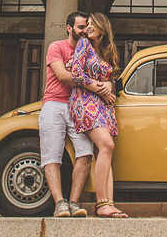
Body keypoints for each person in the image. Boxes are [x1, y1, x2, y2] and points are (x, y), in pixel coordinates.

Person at [67, 12, 126, 218]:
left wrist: (110, 85)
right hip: (84, 100)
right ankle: (101, 203)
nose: (88, 27)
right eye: (87, 24)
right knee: (106, 145)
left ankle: (109, 203)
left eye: (92, 24)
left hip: (104, 105)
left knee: (107, 149)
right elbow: (76, 73)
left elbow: (115, 78)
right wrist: (100, 88)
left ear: (102, 27)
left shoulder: (109, 52)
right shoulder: (84, 45)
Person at [40, 11, 93, 217]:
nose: (84, 32)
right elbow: (62, 75)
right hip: (54, 104)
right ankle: (59, 203)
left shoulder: (89, 50)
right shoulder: (57, 47)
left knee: (86, 153)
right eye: (80, 28)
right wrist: (93, 84)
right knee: (52, 155)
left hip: (78, 106)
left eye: (87, 29)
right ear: (69, 28)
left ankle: (73, 202)